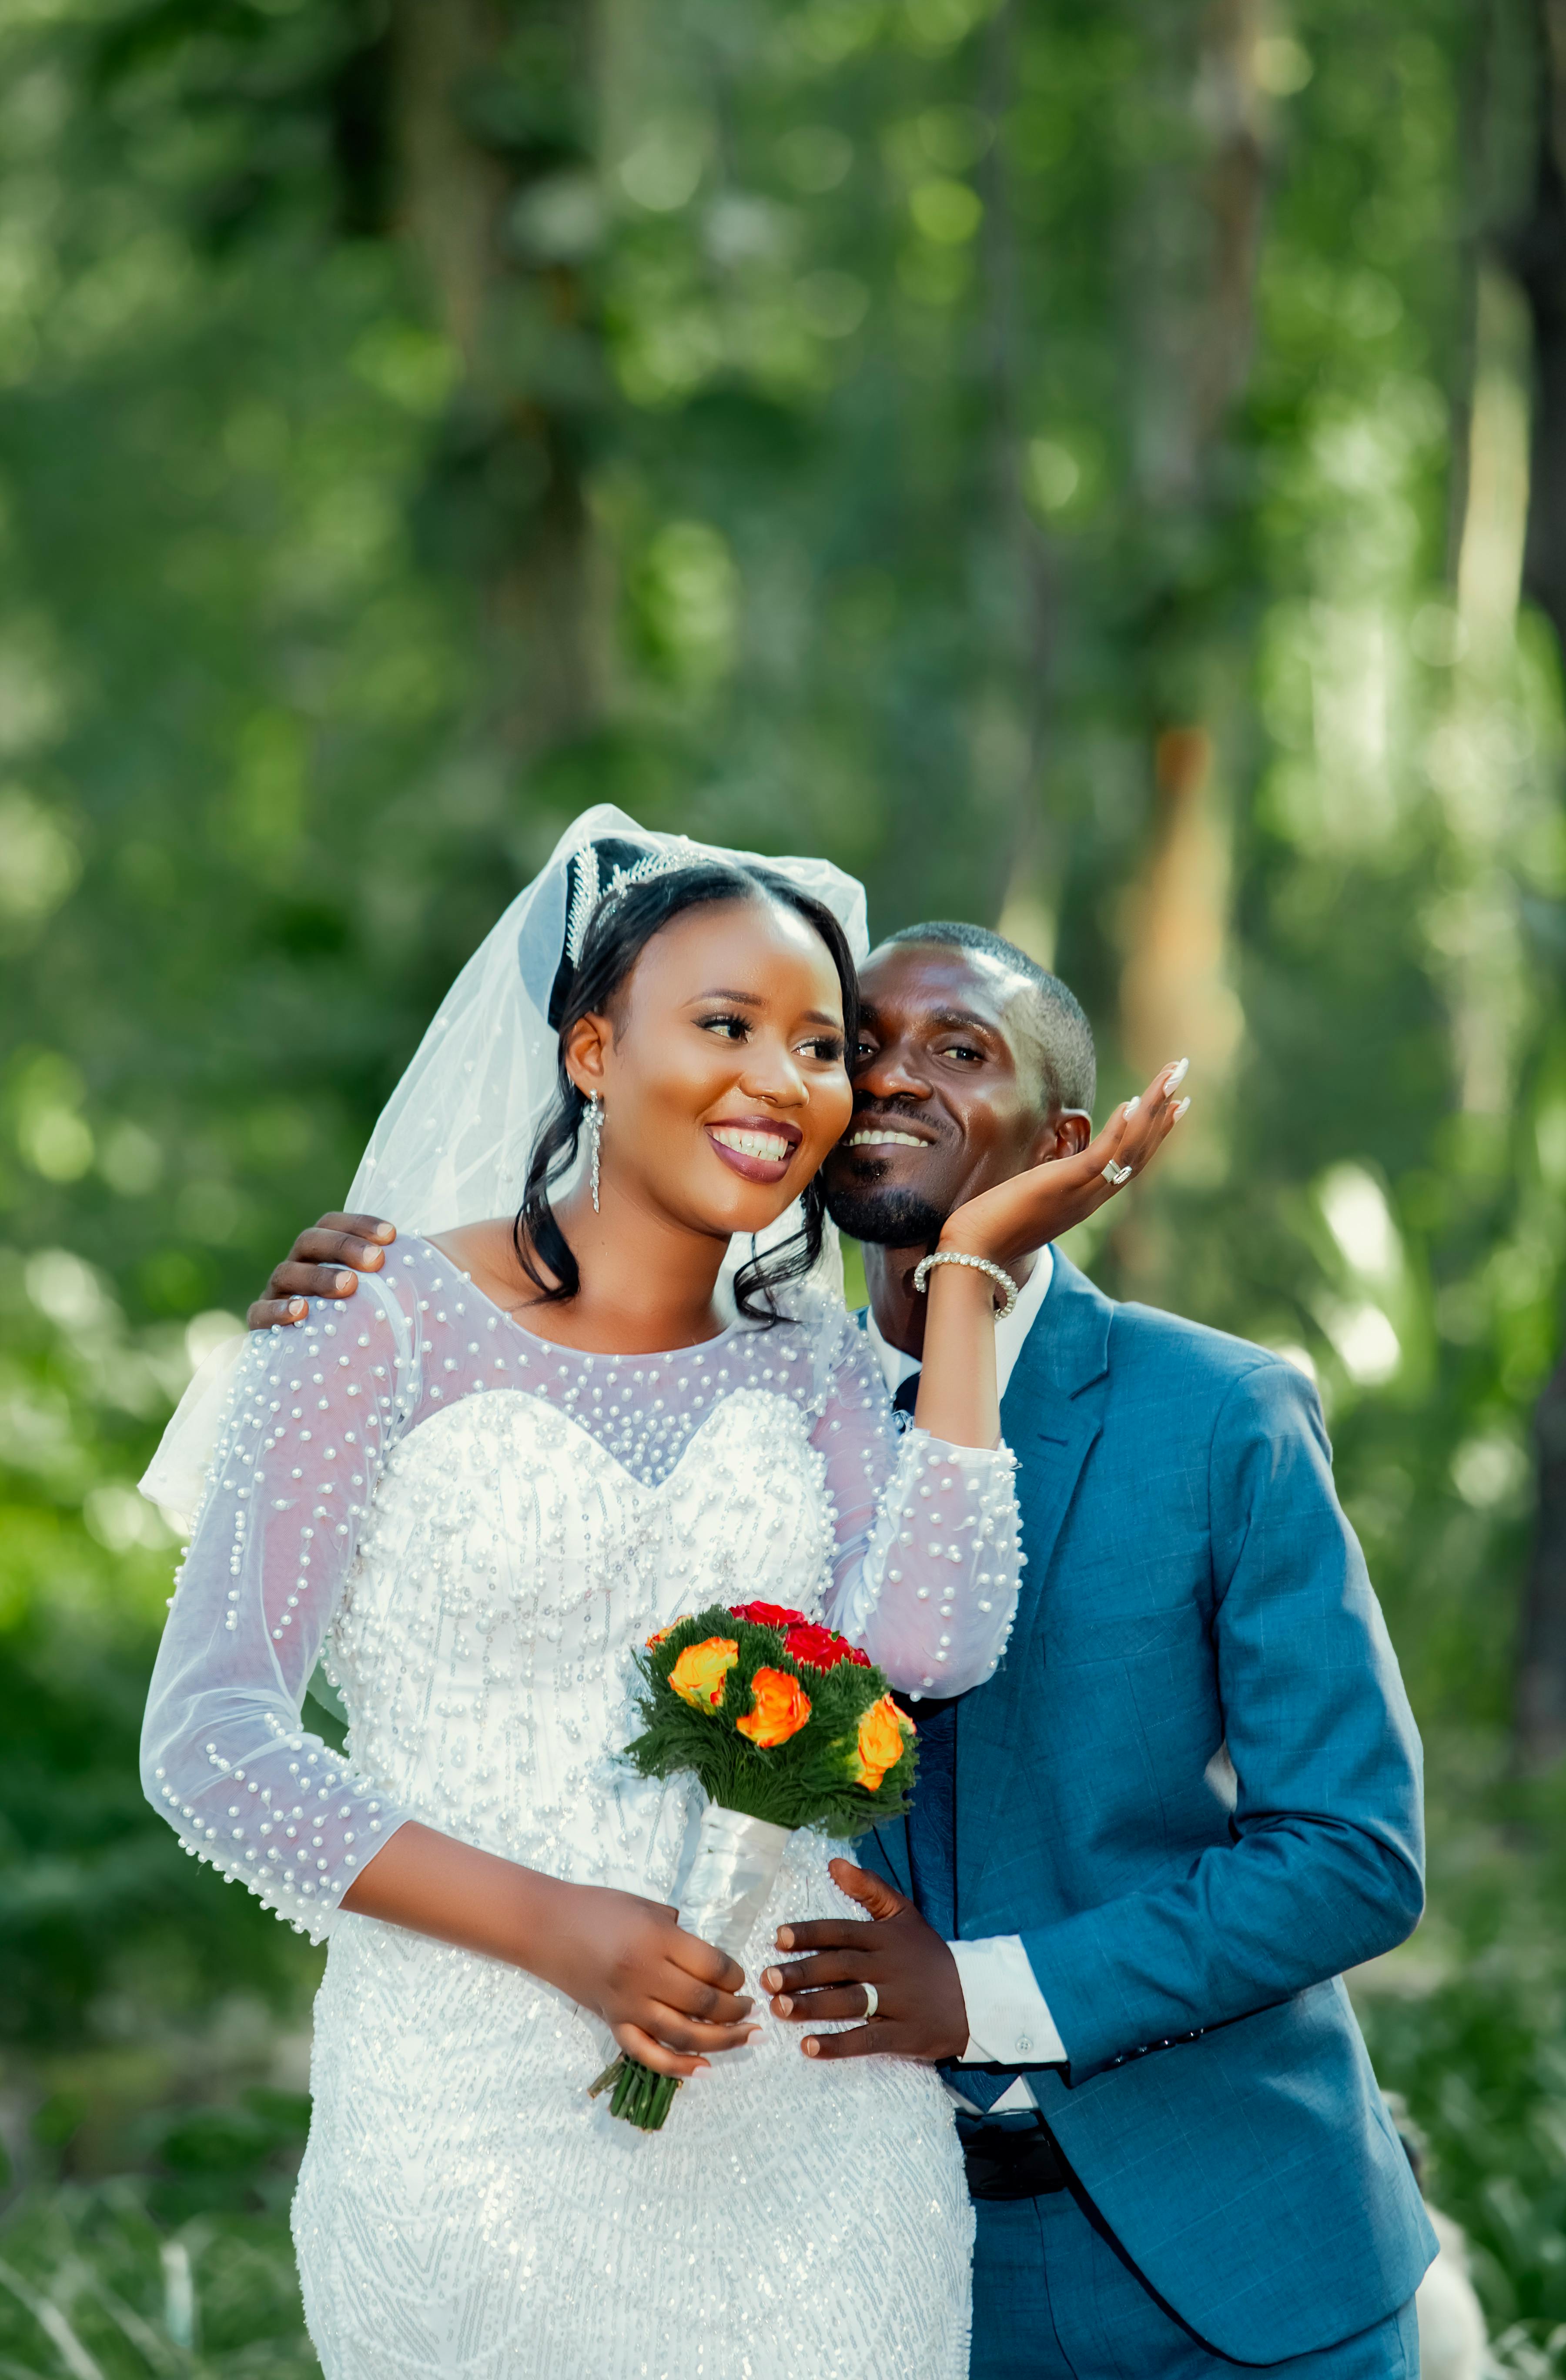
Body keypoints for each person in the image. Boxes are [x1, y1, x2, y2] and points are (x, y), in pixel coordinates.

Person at [269, 915, 1438, 2379]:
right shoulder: (751, 1401)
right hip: (861, 2240)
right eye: (853, 1046)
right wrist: (386, 1301)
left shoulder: (1217, 1415)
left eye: (959, 1052)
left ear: (1064, 1138)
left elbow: (1352, 1854)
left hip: (1226, 2259)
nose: (885, 1080)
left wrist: (982, 1994)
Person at [141, 808, 1181, 2380]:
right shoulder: (366, 1323)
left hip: (816, 2127)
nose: (783, 1079)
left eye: (821, 1046)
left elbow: (927, 1645)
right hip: (467, 2109)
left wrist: (963, 1277)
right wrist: (560, 1929)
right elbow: (210, 1742)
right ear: (588, 1054)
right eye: (725, 1025)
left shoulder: (821, 1364)